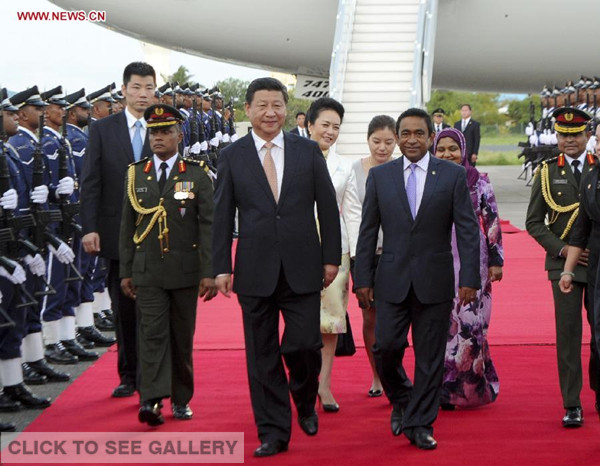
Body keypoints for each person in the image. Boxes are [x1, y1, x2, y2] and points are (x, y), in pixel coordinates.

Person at [212, 77, 341, 457]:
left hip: (304, 265)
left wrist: (331, 256)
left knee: (304, 344)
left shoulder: (307, 150)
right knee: (262, 355)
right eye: (262, 105)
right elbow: (221, 217)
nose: (271, 112)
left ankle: (303, 398)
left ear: (287, 109)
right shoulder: (232, 156)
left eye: (277, 105)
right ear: (248, 110)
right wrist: (220, 265)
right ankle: (273, 431)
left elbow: (327, 208)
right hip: (254, 270)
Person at [354, 108, 480, 450]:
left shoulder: (451, 175)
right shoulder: (381, 177)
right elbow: (367, 232)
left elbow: (468, 230)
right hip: (390, 279)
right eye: (405, 133)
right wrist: (362, 277)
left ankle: (421, 422)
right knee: (386, 348)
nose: (412, 139)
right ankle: (403, 399)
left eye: (419, 133)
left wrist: (469, 276)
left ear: (429, 136)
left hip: (435, 280)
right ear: (397, 137)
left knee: (429, 358)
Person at [119, 104, 216, 426]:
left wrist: (208, 272)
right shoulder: (136, 174)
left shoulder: (197, 174)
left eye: (165, 132)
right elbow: (127, 226)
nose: (158, 138)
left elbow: (207, 226)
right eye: (154, 132)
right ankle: (151, 400)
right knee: (151, 334)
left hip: (185, 270)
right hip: (147, 271)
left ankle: (181, 399)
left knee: (180, 336)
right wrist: (126, 271)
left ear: (179, 135)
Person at [80, 61, 155, 398]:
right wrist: (90, 228)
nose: (143, 94)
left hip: (157, 232)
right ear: (123, 89)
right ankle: (129, 374)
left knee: (154, 307)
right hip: (115, 235)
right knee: (124, 308)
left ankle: (154, 375)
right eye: (137, 87)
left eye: (149, 88)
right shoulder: (102, 129)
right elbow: (90, 183)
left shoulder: (164, 126)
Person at [527, 107, 600, 427]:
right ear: (556, 137)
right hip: (563, 265)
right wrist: (563, 249)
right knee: (568, 335)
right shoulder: (545, 173)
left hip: (597, 261)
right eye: (564, 135)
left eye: (576, 135)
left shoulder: (598, 168)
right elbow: (533, 222)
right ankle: (571, 403)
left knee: (599, 334)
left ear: (587, 136)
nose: (570, 141)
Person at [433, 127, 503, 409]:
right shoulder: (430, 179)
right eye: (441, 149)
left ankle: (471, 390)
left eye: (453, 148)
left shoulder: (479, 182)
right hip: (438, 259)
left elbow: (493, 220)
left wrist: (497, 261)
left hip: (473, 260)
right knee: (443, 325)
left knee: (470, 324)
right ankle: (440, 390)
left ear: (463, 150)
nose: (447, 154)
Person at [306, 97, 361, 412]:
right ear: (309, 124)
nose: (330, 132)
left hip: (334, 250)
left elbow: (352, 212)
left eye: (336, 127)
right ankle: (304, 379)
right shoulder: (291, 157)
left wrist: (355, 256)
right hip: (297, 248)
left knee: (330, 321)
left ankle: (324, 384)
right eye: (324, 125)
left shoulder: (345, 165)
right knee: (301, 321)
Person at [350, 115, 397, 398]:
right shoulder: (354, 170)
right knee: (370, 317)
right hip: (365, 255)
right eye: (376, 141)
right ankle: (377, 374)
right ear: (367, 140)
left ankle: (394, 370)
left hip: (396, 255)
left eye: (389, 142)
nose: (382, 148)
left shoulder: (404, 169)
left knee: (395, 318)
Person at [559, 122, 600, 418]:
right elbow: (580, 231)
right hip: (597, 267)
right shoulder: (592, 177)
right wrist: (567, 270)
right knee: (596, 333)